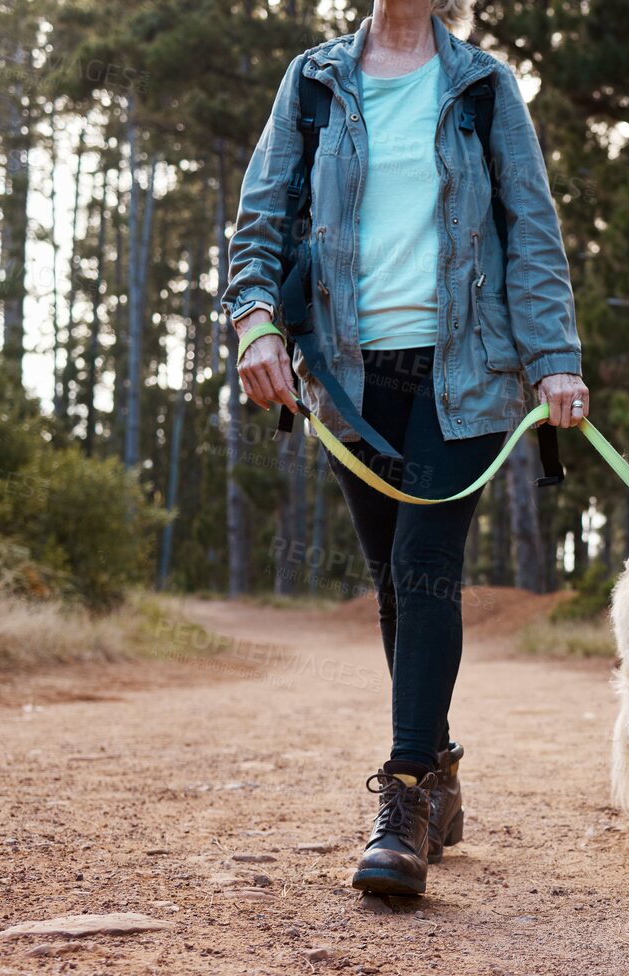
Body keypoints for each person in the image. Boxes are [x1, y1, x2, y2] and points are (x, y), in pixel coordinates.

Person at [223, 0, 586, 896]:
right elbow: (261, 217)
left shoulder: (483, 86)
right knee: (394, 584)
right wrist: (255, 322)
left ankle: (407, 797)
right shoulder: (313, 83)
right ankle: (443, 762)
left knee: (426, 566)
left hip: (464, 372)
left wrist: (555, 361)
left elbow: (531, 230)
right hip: (348, 373)